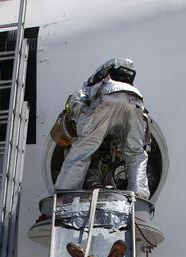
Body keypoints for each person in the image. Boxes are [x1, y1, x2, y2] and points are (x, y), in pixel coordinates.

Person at [53, 58, 154, 201]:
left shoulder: (84, 91)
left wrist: (82, 130)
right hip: (136, 101)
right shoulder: (127, 86)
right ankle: (140, 198)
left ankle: (65, 195)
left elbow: (79, 109)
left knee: (81, 152)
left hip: (107, 98)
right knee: (136, 154)